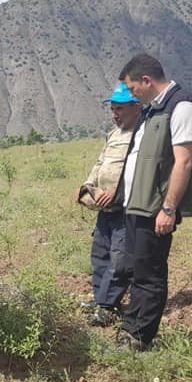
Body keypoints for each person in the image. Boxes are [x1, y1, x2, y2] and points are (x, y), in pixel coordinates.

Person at [116, 53, 192, 350]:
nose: (131, 94)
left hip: (155, 208)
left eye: (132, 88)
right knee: (135, 269)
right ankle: (131, 328)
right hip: (136, 204)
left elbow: (184, 162)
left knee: (149, 273)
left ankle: (140, 338)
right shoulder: (151, 110)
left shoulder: (182, 107)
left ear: (147, 80)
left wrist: (168, 208)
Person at [77, 82, 138, 326]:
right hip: (104, 207)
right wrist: (87, 185)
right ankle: (100, 298)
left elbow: (136, 170)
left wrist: (116, 190)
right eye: (113, 109)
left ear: (136, 107)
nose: (115, 114)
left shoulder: (141, 135)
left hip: (125, 207)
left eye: (120, 109)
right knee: (100, 254)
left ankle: (108, 306)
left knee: (119, 258)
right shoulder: (114, 134)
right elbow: (101, 162)